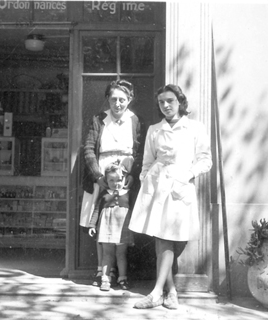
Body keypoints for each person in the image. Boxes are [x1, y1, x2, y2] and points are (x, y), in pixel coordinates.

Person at [128, 84, 212, 309]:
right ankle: (167, 292)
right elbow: (146, 161)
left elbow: (205, 160)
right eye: (162, 102)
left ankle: (159, 292)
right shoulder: (155, 129)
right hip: (155, 187)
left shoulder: (194, 128)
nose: (165, 105)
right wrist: (147, 177)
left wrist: (188, 174)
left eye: (170, 101)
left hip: (180, 186)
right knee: (161, 238)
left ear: (180, 102)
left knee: (169, 239)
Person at [79, 79, 144, 287]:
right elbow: (88, 149)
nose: (117, 104)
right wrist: (98, 176)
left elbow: (140, 151)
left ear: (129, 100)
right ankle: (102, 271)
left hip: (125, 179)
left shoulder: (135, 120)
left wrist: (133, 175)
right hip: (102, 176)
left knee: (123, 221)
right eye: (114, 99)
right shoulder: (99, 119)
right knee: (101, 221)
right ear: (108, 99)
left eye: (122, 100)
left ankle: (121, 271)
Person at [88, 162, 134, 291]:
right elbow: (97, 209)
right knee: (107, 254)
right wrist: (92, 225)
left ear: (125, 179)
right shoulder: (104, 193)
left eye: (119, 180)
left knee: (121, 254)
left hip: (122, 227)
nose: (116, 183)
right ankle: (105, 278)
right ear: (106, 180)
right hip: (106, 227)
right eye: (111, 180)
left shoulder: (128, 193)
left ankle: (122, 278)